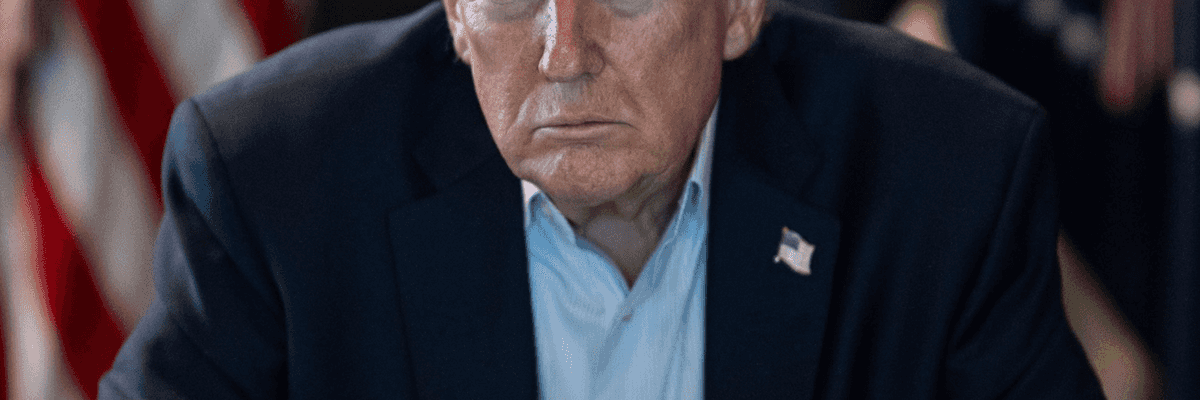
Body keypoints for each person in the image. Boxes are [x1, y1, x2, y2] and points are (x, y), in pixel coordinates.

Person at [99, 0, 1105, 397]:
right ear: (455, 16)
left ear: (740, 11)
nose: (561, 52)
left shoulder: (948, 173)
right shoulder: (274, 180)